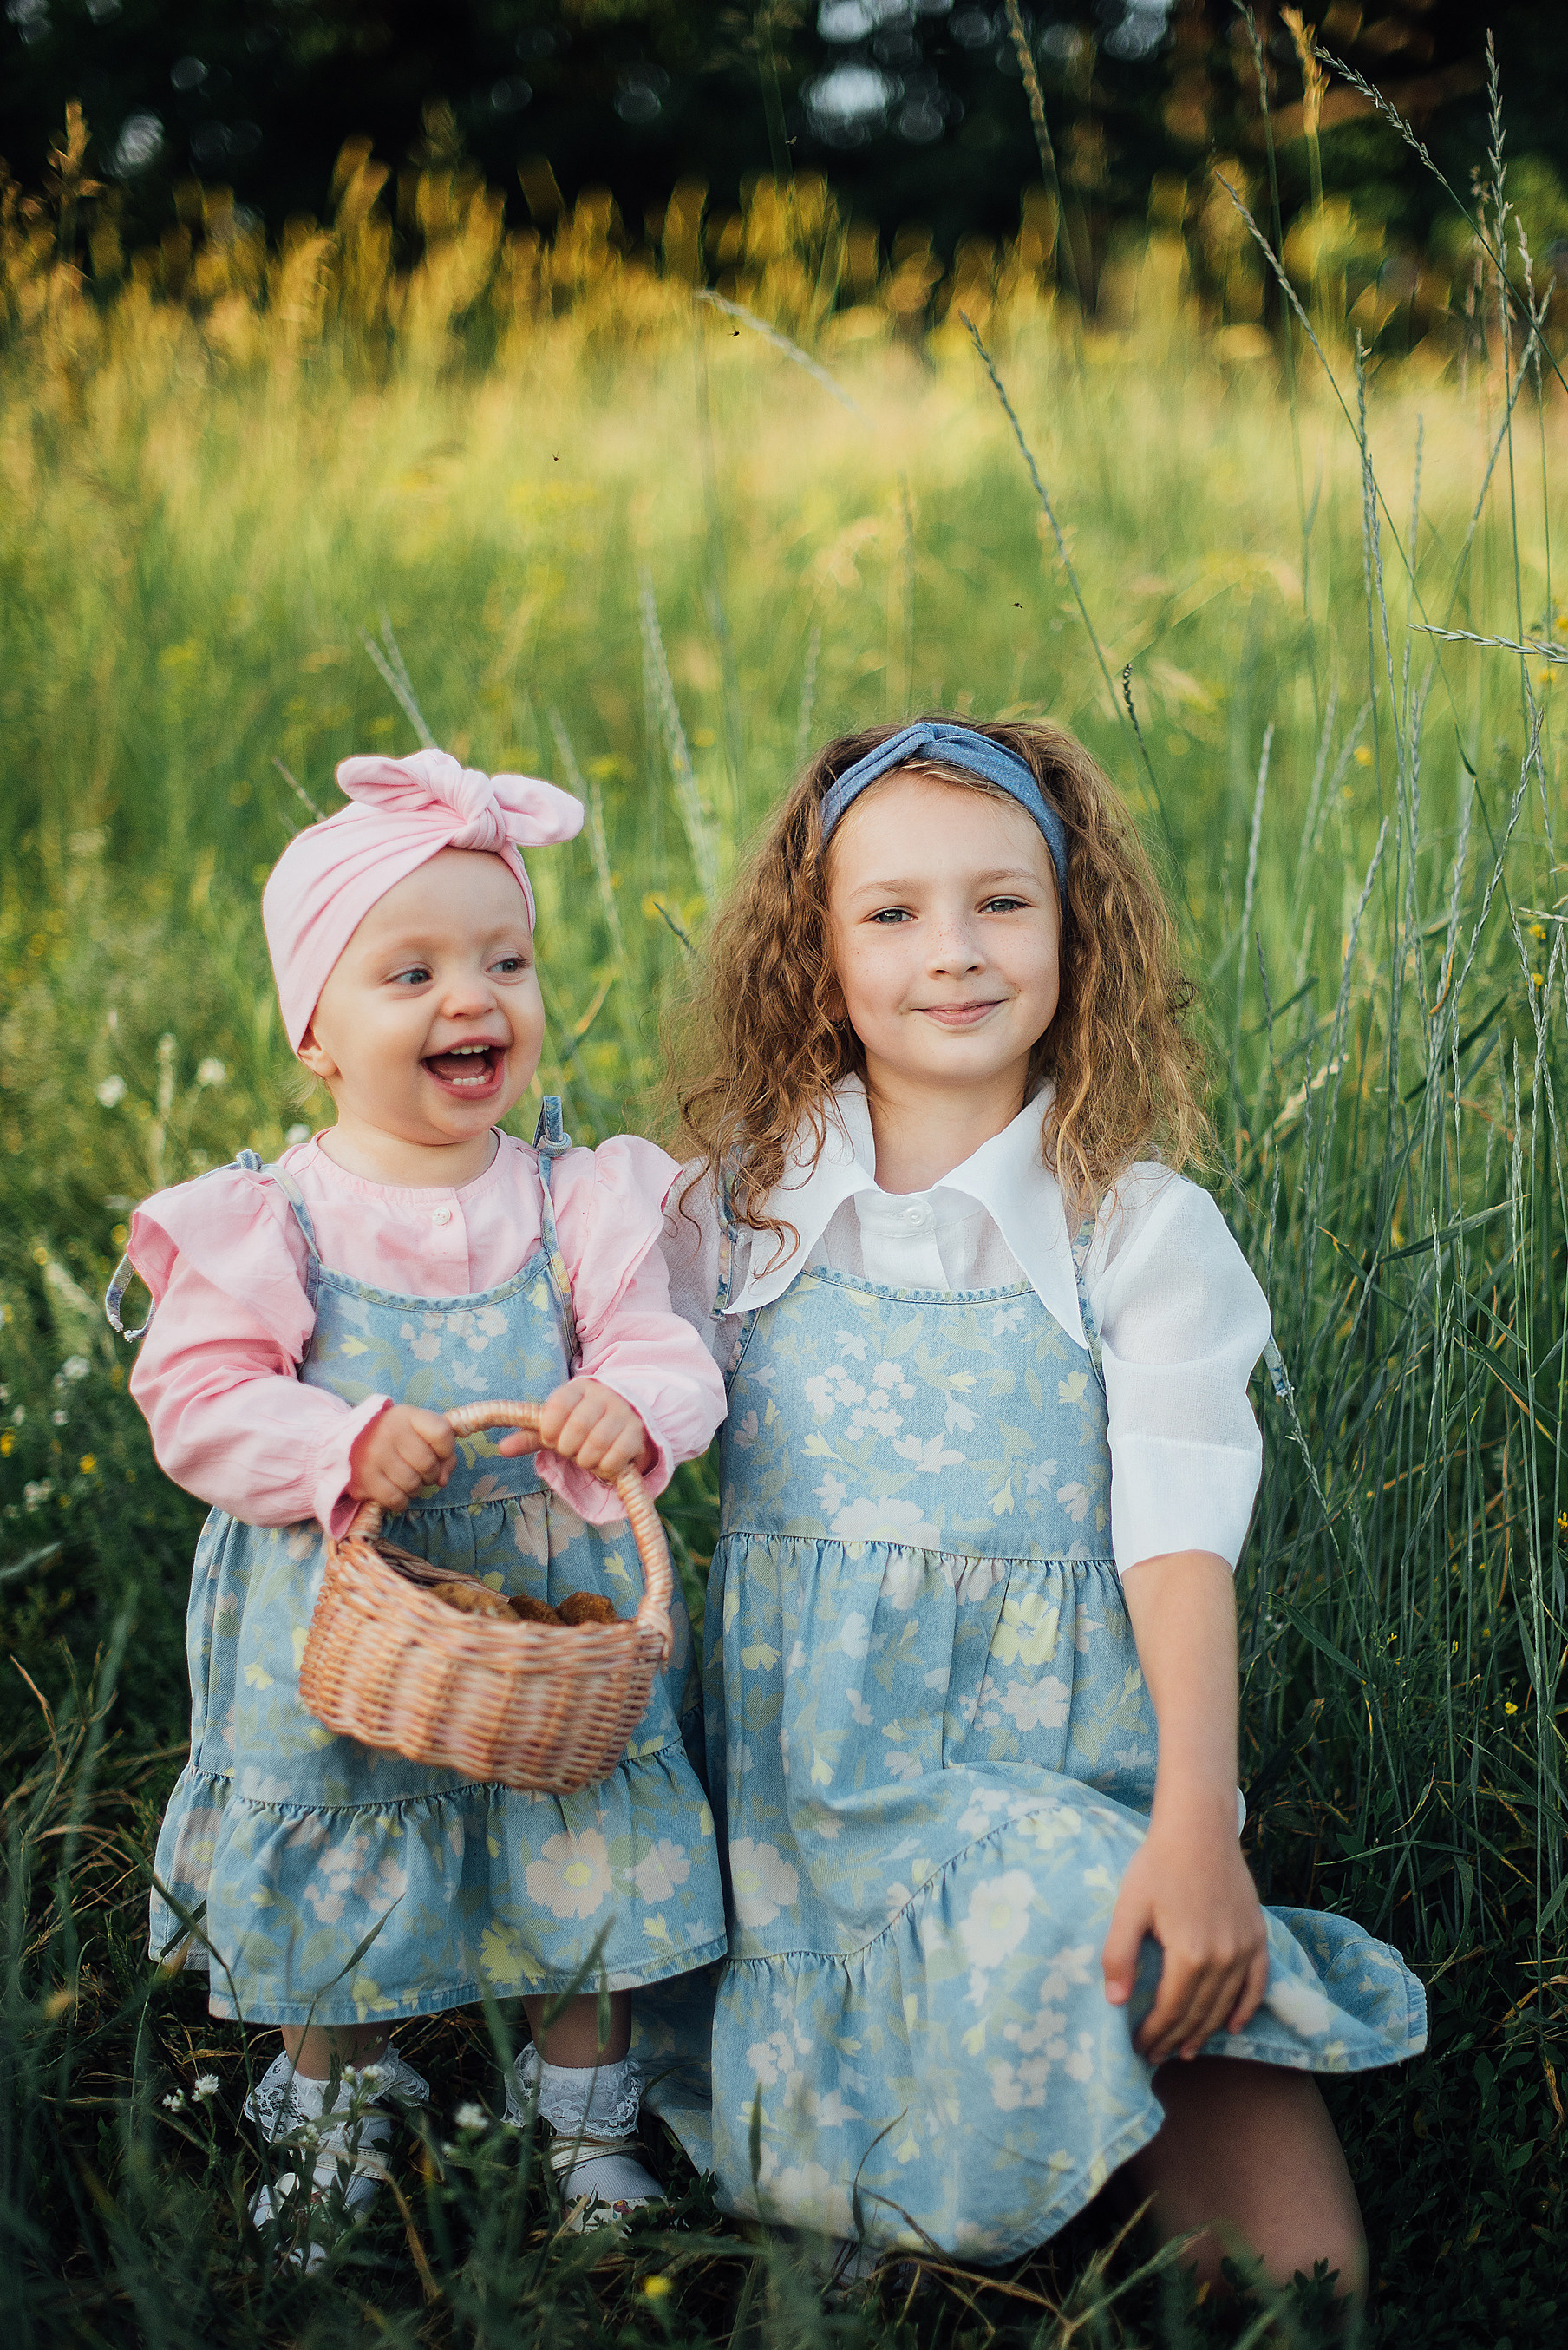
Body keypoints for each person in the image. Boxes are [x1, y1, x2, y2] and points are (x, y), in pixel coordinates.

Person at [653, 718, 1425, 2297]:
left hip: (1072, 1811)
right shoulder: (730, 1210)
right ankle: (932, 2174)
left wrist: (1199, 1828)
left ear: (1077, 931)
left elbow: (1177, 1532)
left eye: (1003, 903)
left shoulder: (1135, 1230)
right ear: (815, 951)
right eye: (892, 912)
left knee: (1303, 2290)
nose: (954, 951)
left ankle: (1017, 2165)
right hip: (812, 1833)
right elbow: (599, 1433)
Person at [109, 748, 728, 2262]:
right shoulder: (277, 1220)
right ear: (316, 1029)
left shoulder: (576, 1197)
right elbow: (197, 1398)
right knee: (340, 1874)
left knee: (574, 1852)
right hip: (348, 1638)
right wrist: (334, 1439)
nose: (474, 999)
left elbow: (673, 1347)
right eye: (412, 972)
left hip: (542, 1635)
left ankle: (584, 2122)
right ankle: (333, 2116)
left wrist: (626, 1399)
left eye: (503, 959)